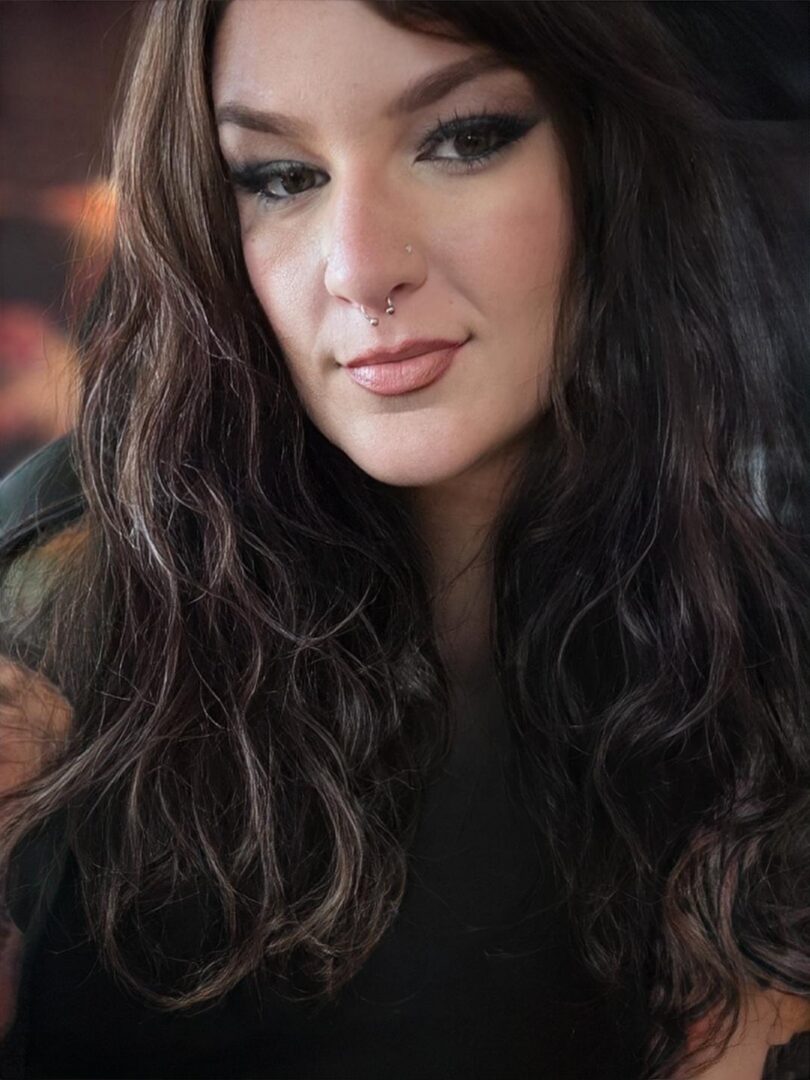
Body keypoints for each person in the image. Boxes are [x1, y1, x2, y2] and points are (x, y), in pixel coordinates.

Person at [0, 1, 808, 1077]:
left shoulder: (759, 631)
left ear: (614, 155)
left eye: (463, 139)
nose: (360, 266)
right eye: (281, 177)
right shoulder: (57, 588)